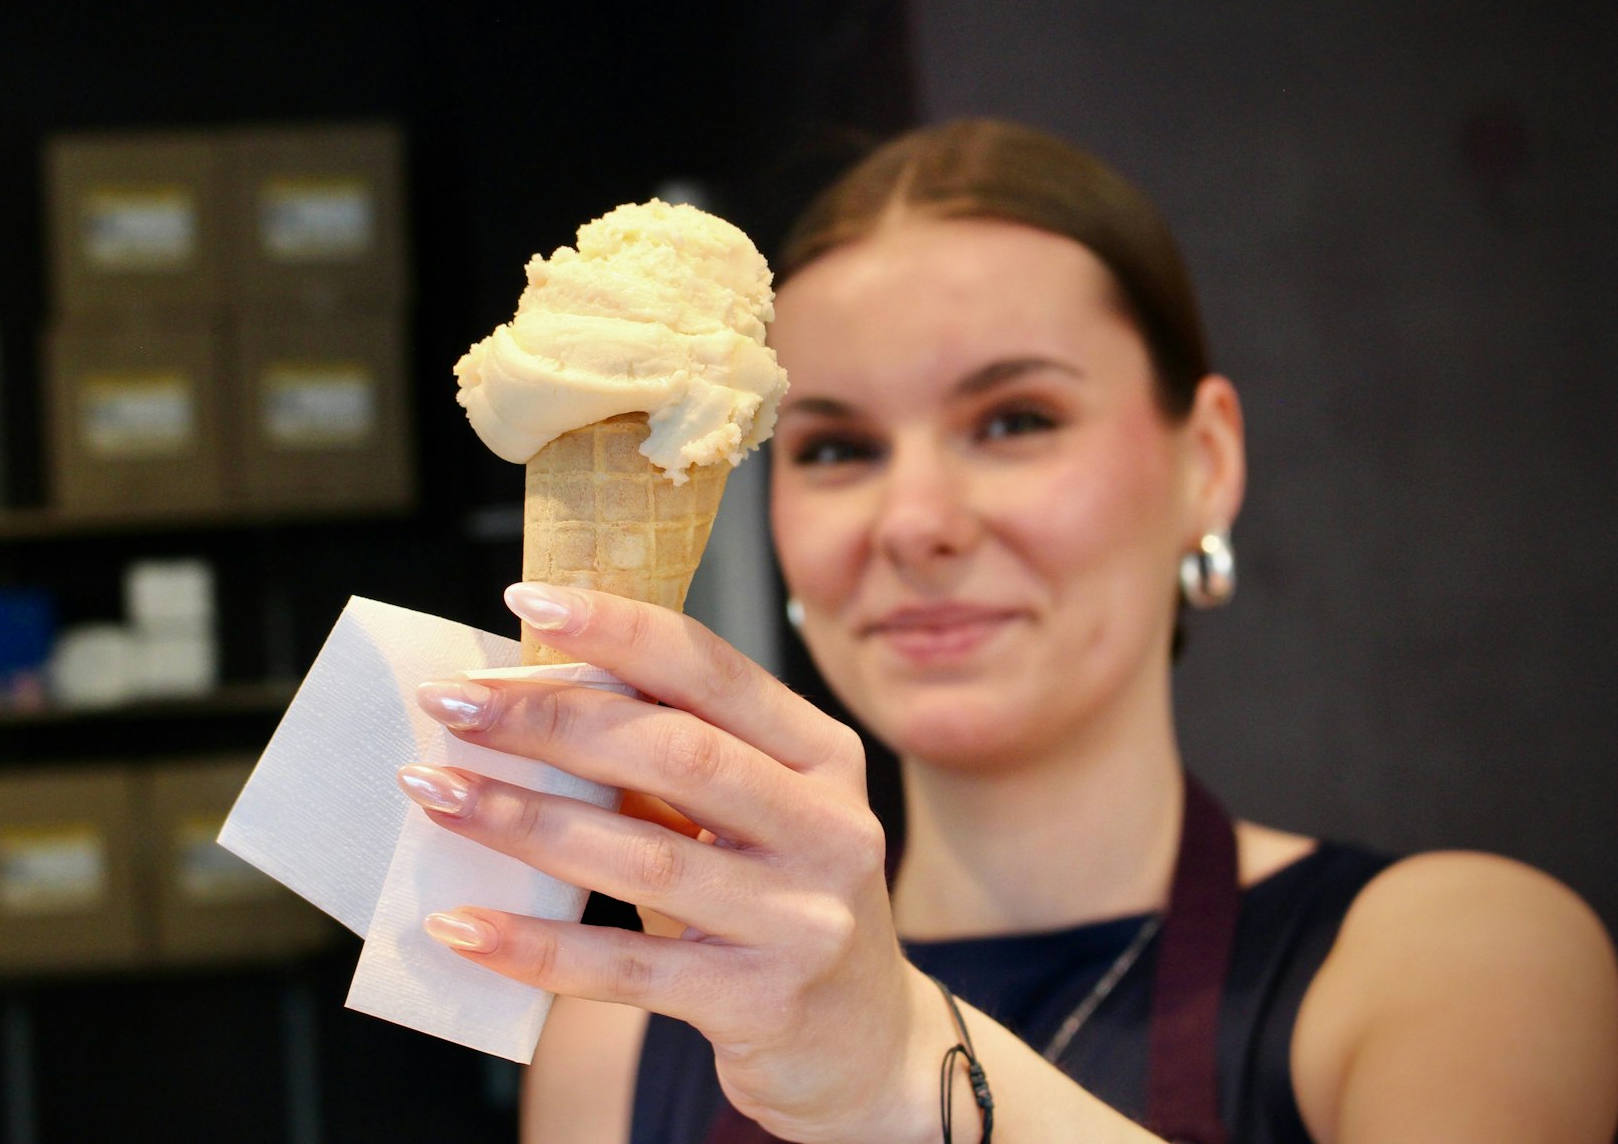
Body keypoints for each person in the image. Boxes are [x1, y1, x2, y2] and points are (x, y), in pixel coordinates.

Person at [394, 119, 1618, 1142]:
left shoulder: (1454, 961)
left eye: (1014, 419)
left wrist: (891, 1061)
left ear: (1205, 462)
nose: (914, 521)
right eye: (834, 448)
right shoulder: (617, 1048)